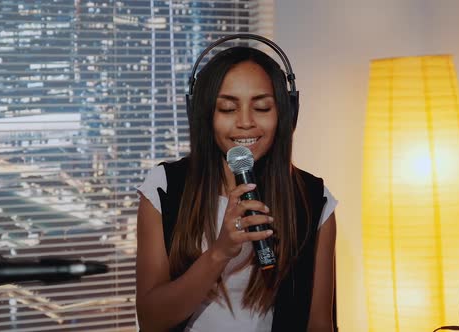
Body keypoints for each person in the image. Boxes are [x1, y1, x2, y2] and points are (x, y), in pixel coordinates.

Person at [135, 44, 337, 332]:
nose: (245, 122)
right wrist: (220, 252)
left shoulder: (314, 199)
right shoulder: (164, 187)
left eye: (262, 107)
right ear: (203, 115)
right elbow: (151, 320)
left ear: (286, 113)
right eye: (228, 108)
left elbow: (319, 324)